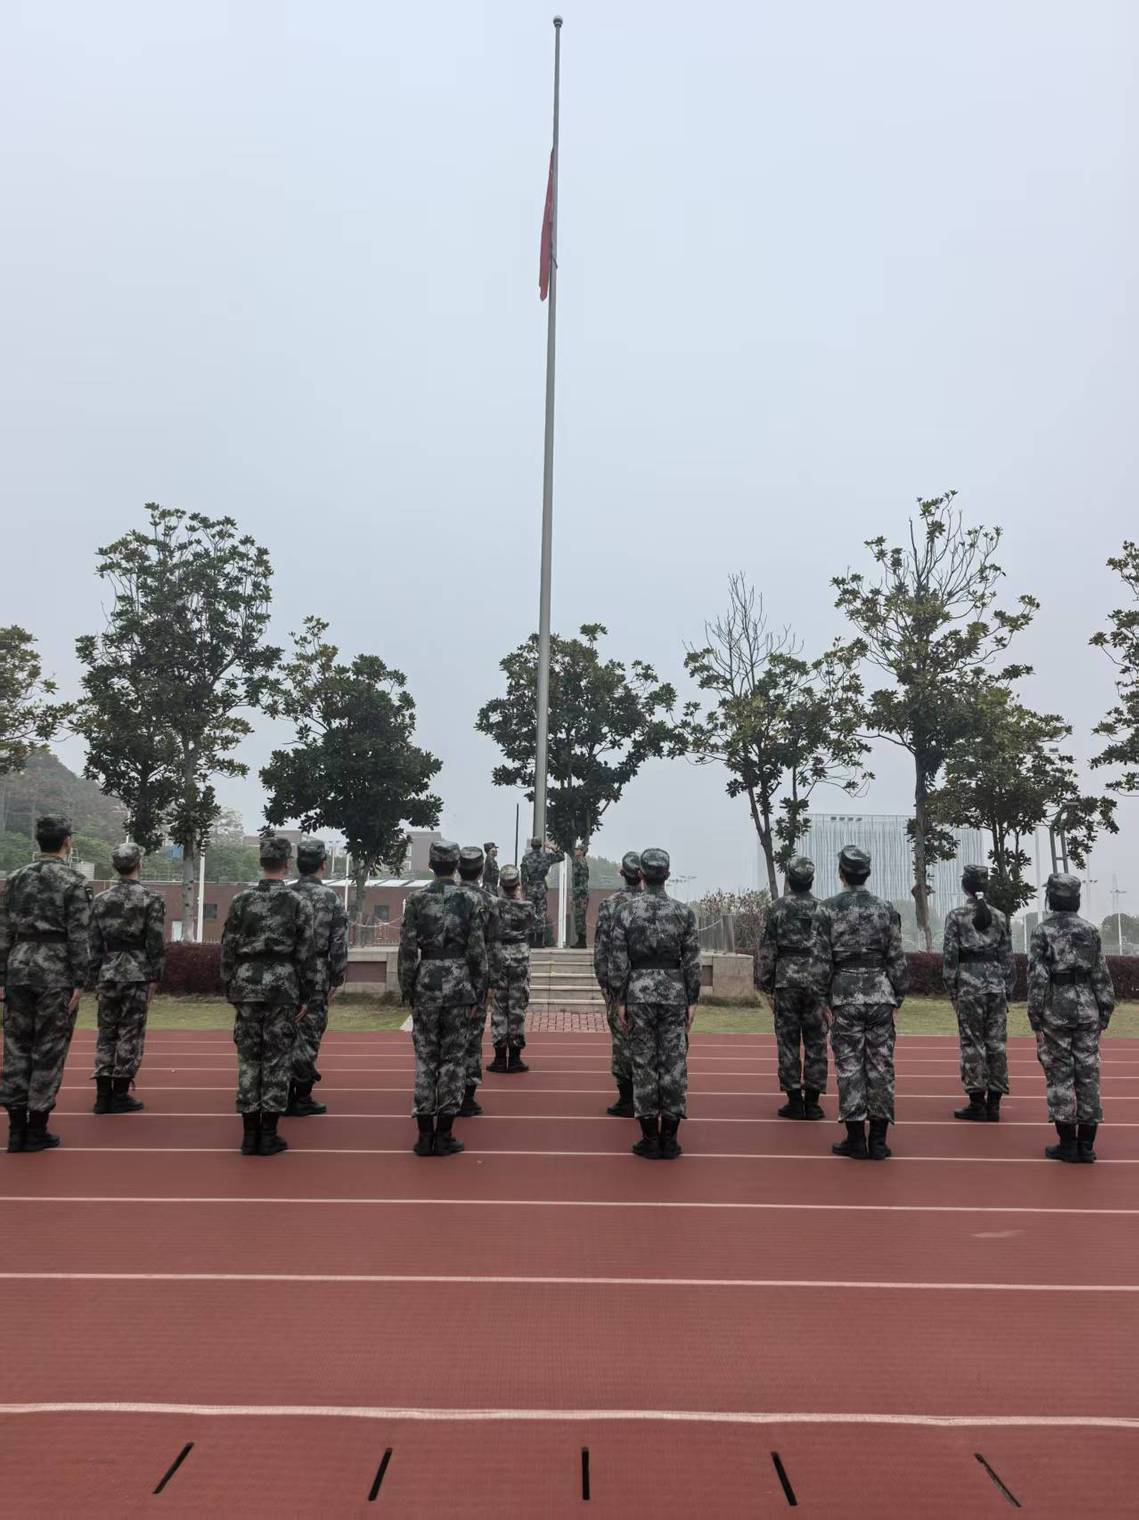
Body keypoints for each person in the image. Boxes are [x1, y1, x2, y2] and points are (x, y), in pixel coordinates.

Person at [220, 835, 318, 1157]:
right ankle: (269, 1134)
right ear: (287, 864)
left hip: (247, 984)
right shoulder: (298, 903)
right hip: (282, 987)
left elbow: (228, 947)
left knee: (249, 1059)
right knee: (276, 1060)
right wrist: (306, 995)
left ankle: (249, 1135)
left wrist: (229, 985)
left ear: (262, 862)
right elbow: (306, 953)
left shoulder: (241, 900)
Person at [0, 814, 91, 1153]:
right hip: (56, 971)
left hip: (19, 966)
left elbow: (3, 931)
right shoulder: (73, 882)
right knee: (49, 1049)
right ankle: (36, 1127)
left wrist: (2, 976)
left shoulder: (15, 878)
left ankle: (16, 1128)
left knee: (16, 1047)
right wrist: (80, 980)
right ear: (67, 841)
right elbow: (79, 935)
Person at [607, 847, 701, 1161]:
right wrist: (692, 999)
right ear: (668, 875)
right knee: (674, 1063)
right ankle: (670, 1139)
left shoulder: (626, 912)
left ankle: (649, 1138)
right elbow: (692, 961)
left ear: (642, 875)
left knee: (643, 1062)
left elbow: (618, 960)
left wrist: (619, 998)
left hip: (639, 993)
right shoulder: (684, 913)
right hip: (674, 994)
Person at [398, 839, 488, 1157]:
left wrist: (408, 987)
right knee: (452, 1061)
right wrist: (479, 991)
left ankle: (424, 1136)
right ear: (456, 865)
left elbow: (408, 949)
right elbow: (477, 950)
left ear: (431, 864)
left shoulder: (417, 899)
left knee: (426, 1060)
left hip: (427, 982)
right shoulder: (470, 899)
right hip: (460, 985)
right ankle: (445, 1134)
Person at [823, 846, 907, 1162]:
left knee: (849, 1066)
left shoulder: (827, 910)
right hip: (880, 993)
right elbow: (896, 957)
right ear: (867, 873)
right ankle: (880, 1141)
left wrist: (823, 999)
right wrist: (898, 995)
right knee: (881, 1066)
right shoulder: (885, 909)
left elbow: (820, 960)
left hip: (844, 994)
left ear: (842, 873)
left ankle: (856, 1139)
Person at [1028, 872, 1115, 1163]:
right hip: (1088, 1009)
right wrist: (1105, 1010)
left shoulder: (1043, 931)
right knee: (1088, 1074)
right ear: (1076, 899)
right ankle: (1087, 1145)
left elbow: (1038, 978)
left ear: (1051, 898)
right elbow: (1101, 974)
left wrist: (1035, 1015)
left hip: (1056, 1010)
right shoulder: (1090, 931)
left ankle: (1067, 1143)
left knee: (1060, 1074)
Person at [88, 842, 166, 1115]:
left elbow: (93, 943)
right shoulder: (151, 899)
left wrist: (95, 975)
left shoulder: (100, 900)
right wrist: (156, 976)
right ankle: (120, 1094)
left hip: (108, 971)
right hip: (137, 973)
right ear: (139, 864)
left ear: (114, 866)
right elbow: (155, 943)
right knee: (130, 1033)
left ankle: (102, 1096)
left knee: (106, 1033)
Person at [754, 856, 830, 1121]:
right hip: (816, 982)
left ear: (788, 878)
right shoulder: (823, 909)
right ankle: (814, 1102)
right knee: (816, 1042)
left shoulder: (776, 908)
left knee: (787, 1042)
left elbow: (767, 949)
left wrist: (765, 983)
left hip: (786, 982)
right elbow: (830, 950)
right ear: (811, 880)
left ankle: (794, 1101)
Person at [943, 864, 1015, 1123]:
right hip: (996, 986)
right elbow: (1008, 958)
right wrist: (1007, 990)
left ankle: (977, 1103)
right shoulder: (1000, 917)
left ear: (965, 886)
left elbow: (950, 958)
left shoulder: (956, 916)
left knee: (972, 1043)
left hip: (969, 986)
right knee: (996, 1044)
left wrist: (952, 992)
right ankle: (994, 1103)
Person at [286, 838, 349, 1118]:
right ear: (323, 864)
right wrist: (337, 977)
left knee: (283, 1032)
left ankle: (280, 1092)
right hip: (318, 971)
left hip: (286, 972)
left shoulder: (286, 895)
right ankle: (301, 1096)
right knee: (309, 1035)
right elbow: (338, 942)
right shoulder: (330, 898)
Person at [592, 851, 643, 1116]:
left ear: (622, 873)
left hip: (619, 983)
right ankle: (648, 1095)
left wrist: (604, 983)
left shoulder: (610, 904)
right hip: (649, 982)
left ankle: (626, 1097)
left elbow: (601, 948)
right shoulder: (655, 904)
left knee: (622, 1039)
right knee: (647, 1040)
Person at [457, 845, 496, 1114]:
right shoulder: (488, 901)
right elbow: (493, 946)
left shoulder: (435, 897)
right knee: (472, 1039)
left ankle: (439, 1095)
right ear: (482, 871)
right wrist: (490, 983)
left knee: (439, 1042)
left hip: (434, 980)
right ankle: (467, 1097)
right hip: (473, 980)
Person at [487, 864, 536, 1074]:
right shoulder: (528, 907)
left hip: (498, 958)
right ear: (518, 884)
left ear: (500, 884)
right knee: (517, 1008)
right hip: (520, 959)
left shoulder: (493, 905)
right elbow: (532, 926)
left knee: (499, 1008)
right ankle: (515, 1058)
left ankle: (499, 1058)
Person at [520, 836, 564, 947]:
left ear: (532, 846)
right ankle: (539, 941)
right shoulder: (546, 856)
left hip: (530, 887)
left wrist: (524, 889)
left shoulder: (526, 858)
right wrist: (553, 847)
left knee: (530, 912)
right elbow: (561, 856)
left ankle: (530, 940)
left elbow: (524, 876)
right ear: (540, 846)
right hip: (541, 887)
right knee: (541, 913)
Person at [572, 845, 590, 949]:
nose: (576, 851)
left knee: (579, 918)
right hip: (581, 894)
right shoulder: (582, 862)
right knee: (580, 918)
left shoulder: (580, 863)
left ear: (582, 851)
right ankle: (581, 940)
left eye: (578, 849)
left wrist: (576, 894)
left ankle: (581, 941)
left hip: (581, 895)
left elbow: (582, 882)